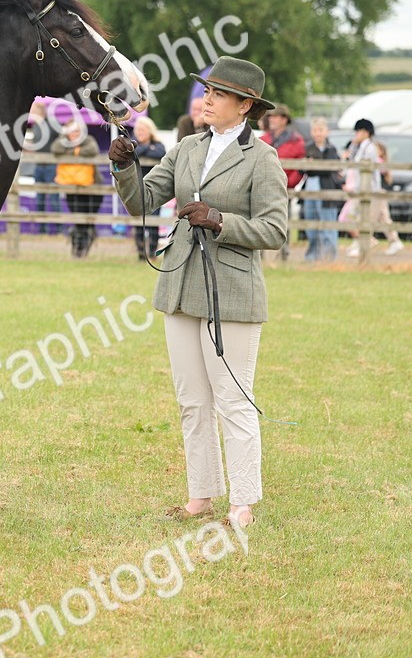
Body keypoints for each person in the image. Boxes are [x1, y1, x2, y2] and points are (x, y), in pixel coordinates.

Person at [108, 56, 288, 528]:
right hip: (180, 286)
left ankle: (243, 501)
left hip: (232, 290)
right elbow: (142, 202)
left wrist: (222, 221)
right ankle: (201, 495)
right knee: (192, 399)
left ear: (245, 105)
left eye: (219, 93)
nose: (207, 99)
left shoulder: (263, 158)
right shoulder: (186, 146)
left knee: (233, 399)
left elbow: (274, 230)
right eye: (207, 90)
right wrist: (124, 167)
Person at [340, 119, 402, 257]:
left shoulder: (369, 148)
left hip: (370, 189)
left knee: (367, 218)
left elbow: (368, 169)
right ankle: (392, 241)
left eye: (358, 131)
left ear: (365, 132)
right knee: (380, 218)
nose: (356, 134)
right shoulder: (360, 146)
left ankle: (365, 244)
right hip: (361, 188)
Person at [259, 104, 307, 261]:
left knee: (282, 221)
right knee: (258, 220)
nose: (271, 119)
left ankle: (284, 253)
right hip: (262, 187)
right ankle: (258, 254)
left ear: (284, 120)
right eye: (270, 117)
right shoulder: (264, 139)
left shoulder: (295, 140)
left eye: (275, 117)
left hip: (283, 189)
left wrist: (287, 183)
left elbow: (299, 167)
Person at [51, 118, 100, 258]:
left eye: (77, 131)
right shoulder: (62, 141)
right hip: (72, 187)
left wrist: (72, 150)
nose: (74, 134)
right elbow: (55, 149)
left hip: (93, 187)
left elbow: (92, 150)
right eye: (71, 131)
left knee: (88, 219)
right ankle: (78, 249)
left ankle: (84, 246)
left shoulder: (88, 140)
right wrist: (74, 148)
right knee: (78, 218)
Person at [302, 117, 342, 261]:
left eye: (320, 130)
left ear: (327, 131)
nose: (317, 133)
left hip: (326, 189)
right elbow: (304, 170)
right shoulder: (307, 148)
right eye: (315, 130)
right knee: (311, 225)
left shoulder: (331, 149)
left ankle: (329, 258)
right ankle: (312, 257)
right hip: (310, 189)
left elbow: (332, 168)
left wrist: (314, 166)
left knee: (328, 224)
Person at [131, 116, 167, 260]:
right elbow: (133, 154)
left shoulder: (158, 144)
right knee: (138, 220)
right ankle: (140, 252)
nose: (139, 132)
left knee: (154, 221)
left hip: (155, 188)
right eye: (137, 130)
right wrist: (146, 148)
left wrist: (144, 149)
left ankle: (152, 252)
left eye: (142, 129)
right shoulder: (132, 144)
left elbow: (160, 153)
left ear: (149, 130)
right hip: (137, 187)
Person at [25, 99, 62, 235]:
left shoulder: (52, 124)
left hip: (51, 167)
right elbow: (36, 146)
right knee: (39, 199)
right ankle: (42, 230)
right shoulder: (35, 127)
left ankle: (58, 229)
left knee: (54, 199)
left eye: (33, 110)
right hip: (38, 166)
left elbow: (62, 139)